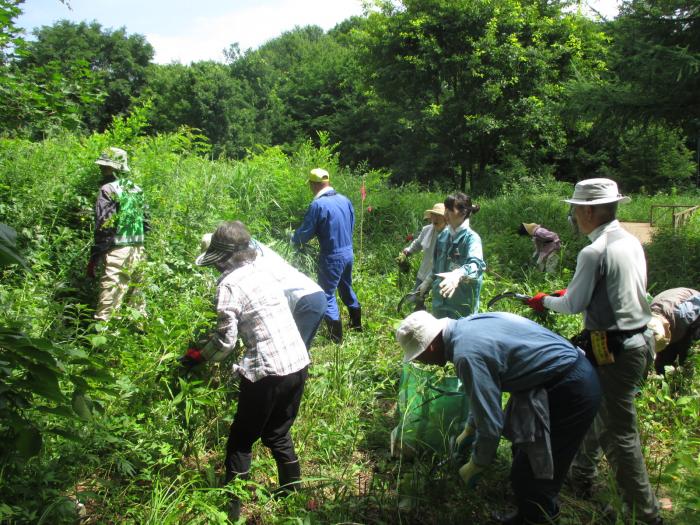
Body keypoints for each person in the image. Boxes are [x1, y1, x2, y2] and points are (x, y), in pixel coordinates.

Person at [524, 178, 662, 524]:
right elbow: (621, 290)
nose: (571, 215)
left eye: (575, 209)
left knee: (620, 434)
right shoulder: (629, 241)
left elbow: (572, 305)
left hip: (614, 348)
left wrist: (546, 301)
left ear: (588, 211)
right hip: (641, 339)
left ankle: (646, 515)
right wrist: (572, 292)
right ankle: (582, 476)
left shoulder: (593, 251)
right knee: (595, 410)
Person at [395, 310, 601, 525]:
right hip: (557, 378)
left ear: (431, 346)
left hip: (571, 389)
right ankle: (526, 513)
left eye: (419, 355)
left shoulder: (465, 355)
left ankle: (540, 517)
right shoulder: (467, 325)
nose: (422, 361)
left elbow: (491, 425)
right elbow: (483, 391)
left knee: (535, 472)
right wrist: (470, 429)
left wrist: (477, 463)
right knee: (523, 453)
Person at [182, 221, 310, 521]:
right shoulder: (262, 272)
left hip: (267, 371)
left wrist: (197, 356)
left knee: (240, 439)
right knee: (278, 434)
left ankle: (232, 509)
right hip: (297, 362)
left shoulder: (228, 285)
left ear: (223, 257)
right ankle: (293, 494)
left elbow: (225, 343)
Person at [199, 233, 326, 350]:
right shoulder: (250, 251)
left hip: (303, 300)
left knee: (293, 353)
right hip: (312, 295)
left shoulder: (245, 264)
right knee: (297, 354)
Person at [292, 168, 361, 343]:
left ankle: (335, 338)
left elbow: (306, 232)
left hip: (332, 256)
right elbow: (351, 223)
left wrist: (293, 239)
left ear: (313, 184)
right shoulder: (344, 200)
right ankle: (357, 325)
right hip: (348, 251)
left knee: (327, 294)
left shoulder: (318, 205)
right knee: (346, 286)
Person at [87, 147, 147, 322]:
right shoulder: (137, 189)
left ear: (116, 168)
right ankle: (137, 339)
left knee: (108, 305)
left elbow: (104, 225)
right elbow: (146, 223)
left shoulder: (107, 189)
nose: (102, 169)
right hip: (138, 251)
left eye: (106, 167)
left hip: (116, 252)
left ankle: (101, 345)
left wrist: (96, 254)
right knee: (136, 302)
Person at [424, 192, 485, 319]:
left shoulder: (471, 239)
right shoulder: (443, 236)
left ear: (463, 213)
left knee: (459, 337)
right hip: (439, 304)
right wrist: (427, 282)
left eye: (450, 210)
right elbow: (436, 267)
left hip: (461, 307)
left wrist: (457, 274)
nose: (445, 214)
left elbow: (476, 265)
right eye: (445, 209)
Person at [396, 203, 447, 310]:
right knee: (416, 299)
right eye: (434, 216)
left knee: (437, 303)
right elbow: (418, 243)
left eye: (439, 216)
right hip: (424, 272)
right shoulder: (427, 230)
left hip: (440, 275)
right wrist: (407, 252)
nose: (435, 219)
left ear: (445, 218)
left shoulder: (449, 234)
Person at [648, 287, 700, 375]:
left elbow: (697, 302)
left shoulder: (683, 314)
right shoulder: (648, 318)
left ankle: (685, 375)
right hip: (670, 314)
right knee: (663, 361)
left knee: (685, 354)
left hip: (692, 312)